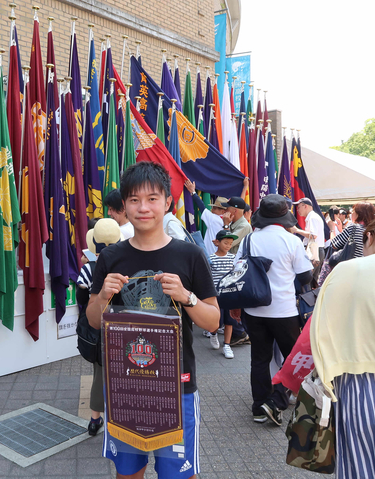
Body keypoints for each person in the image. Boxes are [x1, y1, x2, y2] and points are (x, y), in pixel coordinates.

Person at [87, 161, 219, 479]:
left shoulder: (190, 255)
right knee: (128, 474)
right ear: (125, 205)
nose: (143, 208)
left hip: (177, 388)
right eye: (134, 200)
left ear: (167, 202)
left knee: (179, 475)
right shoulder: (110, 258)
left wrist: (187, 296)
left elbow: (213, 321)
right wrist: (103, 296)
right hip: (125, 387)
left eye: (152, 199)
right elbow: (93, 320)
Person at [310, 216, 375, 479]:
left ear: (370, 238)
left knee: (362, 463)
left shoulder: (349, 269)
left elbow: (321, 328)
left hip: (359, 380)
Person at [233, 194, 313, 426]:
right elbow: (306, 275)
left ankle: (259, 407)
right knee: (293, 358)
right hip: (284, 311)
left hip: (254, 310)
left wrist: (236, 306)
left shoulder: (250, 240)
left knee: (259, 358)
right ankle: (277, 400)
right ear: (284, 217)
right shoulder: (292, 241)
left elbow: (238, 272)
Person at [76, 218, 122, 437]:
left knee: (99, 373)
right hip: (123, 326)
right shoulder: (126, 263)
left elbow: (81, 296)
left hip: (98, 326)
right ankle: (120, 416)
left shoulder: (89, 268)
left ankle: (95, 420)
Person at [184, 177, 249, 256]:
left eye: (215, 208)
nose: (211, 210)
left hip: (218, 260)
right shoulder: (231, 220)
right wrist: (245, 187)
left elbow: (228, 243)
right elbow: (239, 206)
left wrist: (193, 192)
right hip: (220, 260)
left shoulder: (218, 219)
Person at [208, 230, 238, 359]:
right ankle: (213, 334)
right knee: (216, 320)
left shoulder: (233, 258)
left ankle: (227, 345)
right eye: (225, 243)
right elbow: (208, 277)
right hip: (216, 295)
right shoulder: (211, 258)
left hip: (230, 294)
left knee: (229, 321)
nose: (228, 246)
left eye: (230, 244)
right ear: (217, 242)